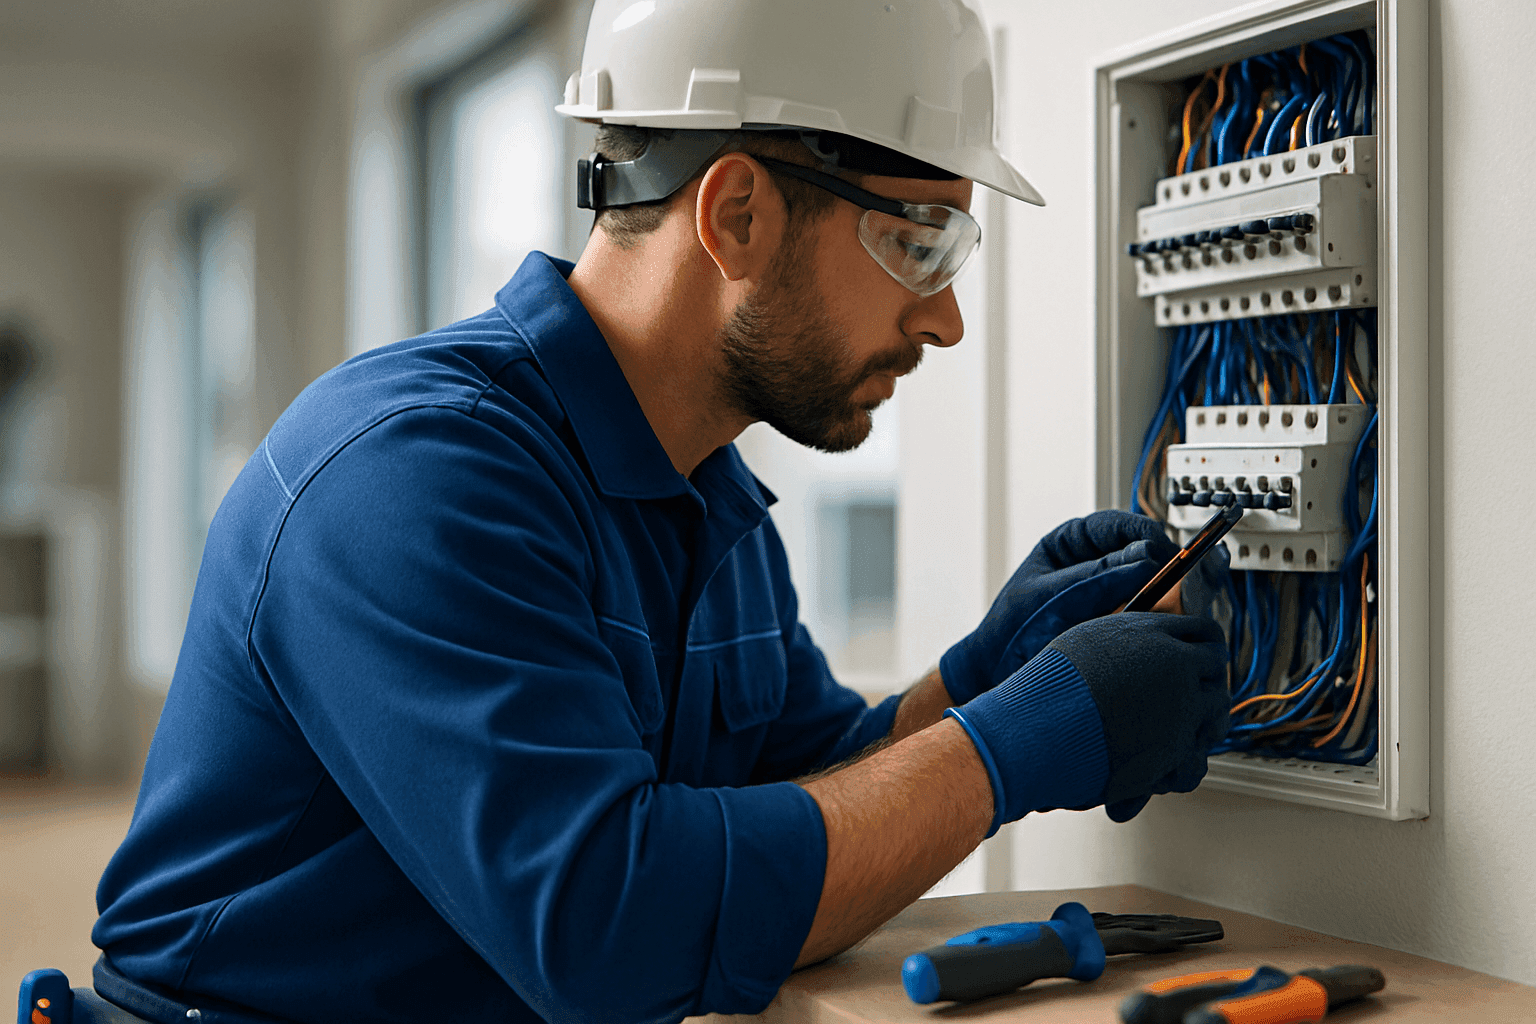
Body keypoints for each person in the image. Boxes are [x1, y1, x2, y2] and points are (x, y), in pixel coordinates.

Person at [90, 1, 1230, 1022]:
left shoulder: (705, 492)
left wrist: (974, 681)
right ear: (735, 215)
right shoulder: (409, 481)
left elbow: (792, 791)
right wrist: (1022, 743)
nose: (945, 323)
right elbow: (608, 928)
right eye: (918, 243)